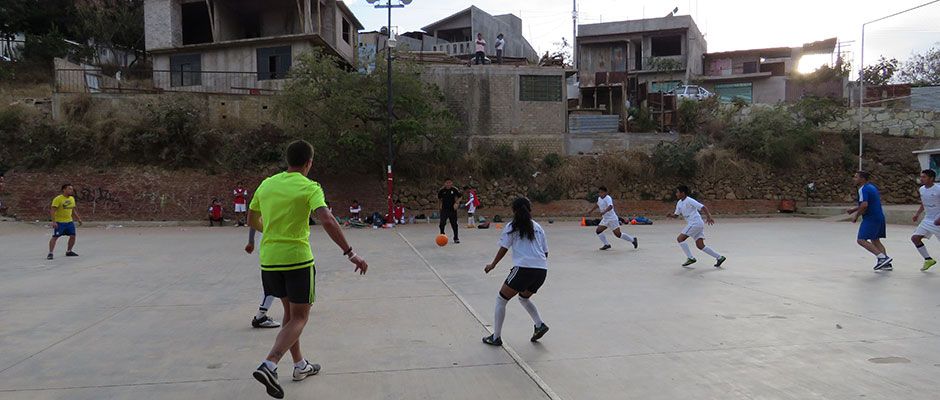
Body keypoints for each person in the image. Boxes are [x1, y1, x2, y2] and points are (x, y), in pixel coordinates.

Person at [250, 140, 368, 399]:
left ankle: (299, 365)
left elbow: (251, 218)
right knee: (300, 318)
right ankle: (270, 364)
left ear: (287, 160)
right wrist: (351, 253)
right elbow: (326, 218)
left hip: (269, 260)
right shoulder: (310, 187)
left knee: (290, 315)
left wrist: (271, 232)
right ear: (309, 163)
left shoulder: (267, 184)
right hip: (297, 261)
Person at [482, 197, 550, 346]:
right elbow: (545, 252)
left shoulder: (512, 226)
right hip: (541, 270)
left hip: (524, 269)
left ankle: (496, 337)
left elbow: (504, 248)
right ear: (530, 209)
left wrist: (493, 264)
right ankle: (539, 325)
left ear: (513, 210)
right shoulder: (538, 227)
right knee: (524, 298)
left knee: (501, 299)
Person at [666, 185, 726, 267]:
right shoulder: (679, 203)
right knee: (700, 245)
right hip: (696, 224)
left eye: (677, 192)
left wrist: (709, 217)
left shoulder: (690, 200)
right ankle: (719, 257)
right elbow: (676, 215)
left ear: (682, 193)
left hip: (695, 223)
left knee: (680, 238)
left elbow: (703, 207)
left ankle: (690, 258)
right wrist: (671, 215)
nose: (676, 194)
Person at [847, 171, 892, 271]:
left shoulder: (863, 189)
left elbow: (864, 205)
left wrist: (856, 216)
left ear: (862, 179)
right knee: (875, 240)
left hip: (871, 218)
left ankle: (882, 258)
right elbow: (867, 203)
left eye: (856, 177)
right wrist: (853, 209)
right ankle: (886, 265)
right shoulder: (871, 187)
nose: (854, 179)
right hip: (879, 217)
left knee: (861, 240)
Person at [246, 227, 282, 328]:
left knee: (275, 281)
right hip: (275, 245)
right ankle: (260, 316)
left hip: (269, 245)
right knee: (273, 283)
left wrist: (251, 241)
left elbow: (252, 220)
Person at [585, 186, 638, 251]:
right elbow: (597, 204)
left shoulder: (608, 198)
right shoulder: (599, 198)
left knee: (618, 234)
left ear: (605, 192)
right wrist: (591, 210)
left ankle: (633, 239)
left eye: (602, 192)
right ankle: (606, 244)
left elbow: (610, 206)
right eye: (599, 192)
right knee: (598, 231)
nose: (600, 194)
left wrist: (604, 211)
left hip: (612, 219)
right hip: (605, 219)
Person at [912, 169, 940, 271]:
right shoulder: (922, 189)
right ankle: (928, 259)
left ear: (931, 178)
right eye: (921, 176)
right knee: (915, 238)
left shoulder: (938, 189)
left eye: (924, 177)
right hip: (927, 220)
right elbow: (924, 203)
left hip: (938, 221)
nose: (921, 179)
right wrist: (917, 214)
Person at [48, 183, 83, 260]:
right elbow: (52, 211)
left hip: (69, 222)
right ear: (64, 190)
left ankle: (69, 251)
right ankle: (50, 253)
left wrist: (78, 218)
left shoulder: (71, 199)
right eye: (69, 189)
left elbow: (73, 209)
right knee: (55, 237)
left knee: (73, 236)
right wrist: (54, 222)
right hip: (60, 222)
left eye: (72, 189)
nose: (71, 190)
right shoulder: (58, 199)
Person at [438, 179, 462, 244]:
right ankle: (442, 235)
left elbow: (460, 197)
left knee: (454, 224)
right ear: (444, 183)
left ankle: (456, 238)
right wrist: (440, 206)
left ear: (452, 183)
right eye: (447, 183)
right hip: (444, 210)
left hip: (452, 210)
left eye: (449, 183)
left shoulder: (454, 189)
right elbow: (439, 199)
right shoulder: (441, 190)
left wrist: (457, 203)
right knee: (442, 223)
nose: (448, 184)